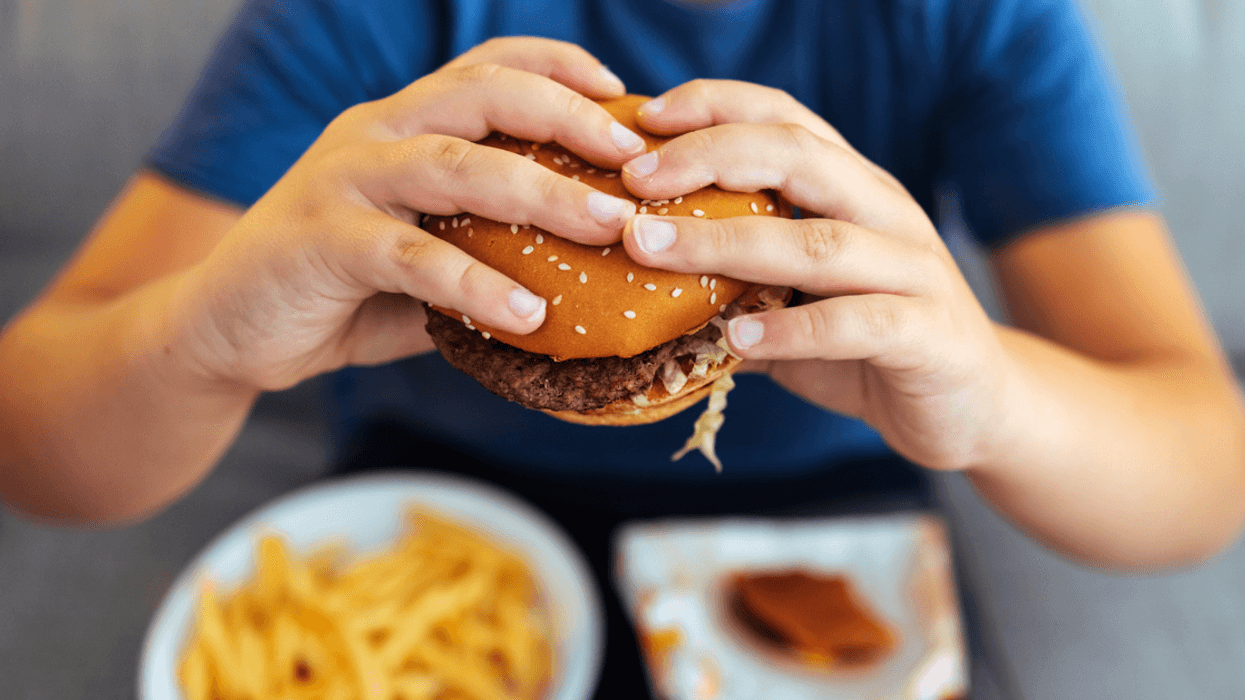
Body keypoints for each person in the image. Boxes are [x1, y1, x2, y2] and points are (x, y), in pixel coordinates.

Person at [1, 0, 1243, 628]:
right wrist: (208, 337)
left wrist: (996, 398)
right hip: (433, 507)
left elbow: (1206, 469)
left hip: (826, 523)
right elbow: (32, 439)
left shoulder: (973, 17)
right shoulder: (367, 17)